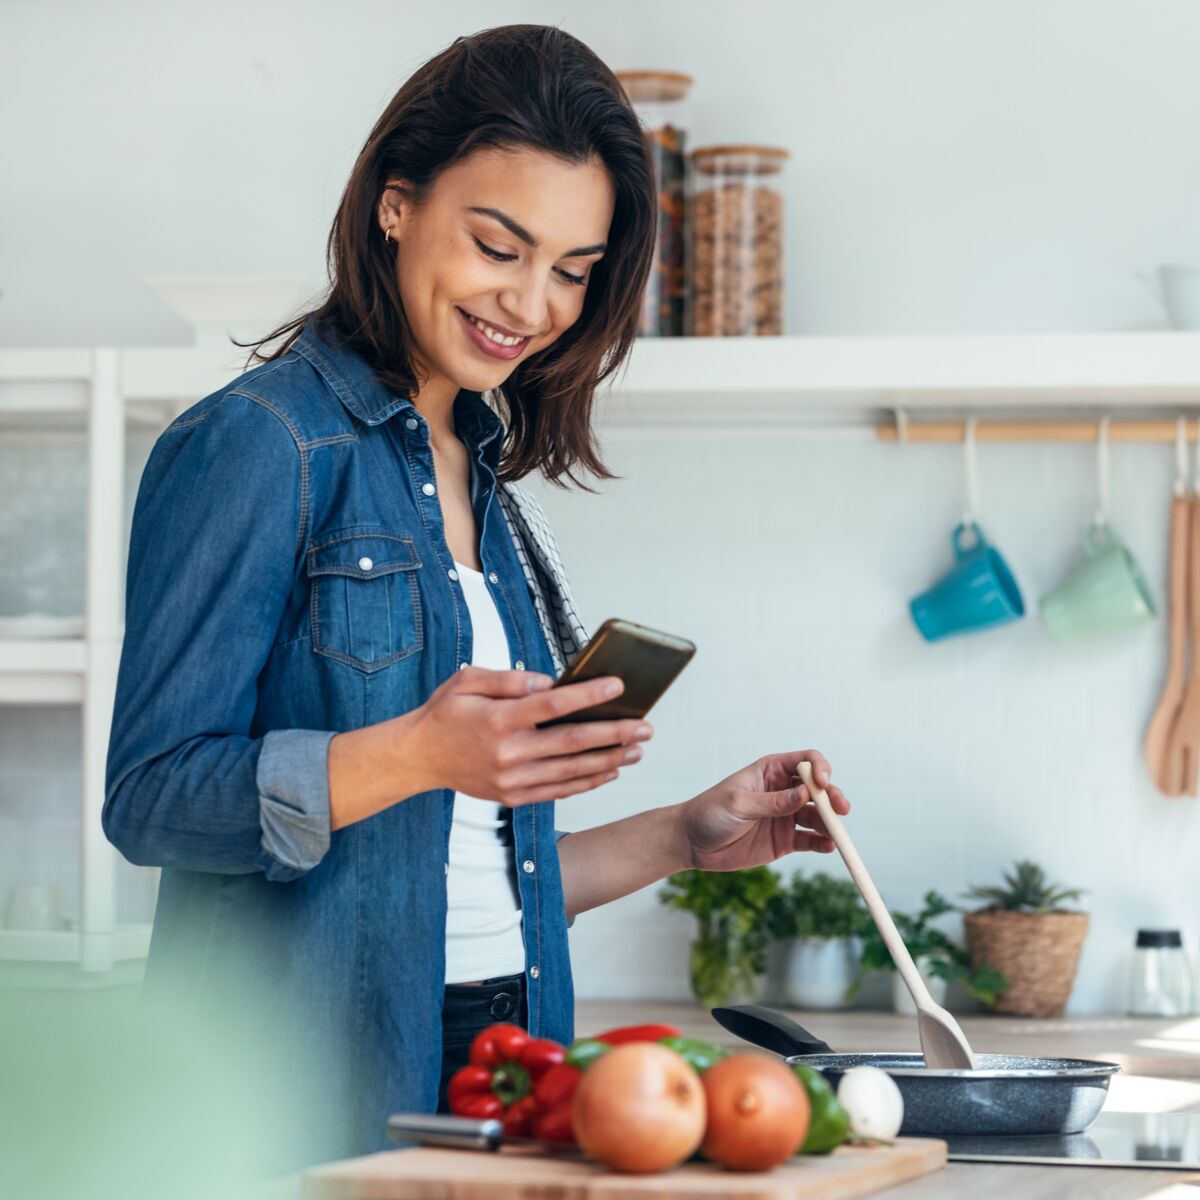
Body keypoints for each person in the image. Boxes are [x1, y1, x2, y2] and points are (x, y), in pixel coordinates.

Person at [103, 23, 850, 1167]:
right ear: (397, 203)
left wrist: (682, 840)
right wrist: (416, 754)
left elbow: (464, 872)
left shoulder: (487, 474)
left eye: (571, 270)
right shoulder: (260, 445)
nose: (533, 302)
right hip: (310, 1082)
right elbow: (150, 799)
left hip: (511, 1054)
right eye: (499, 245)